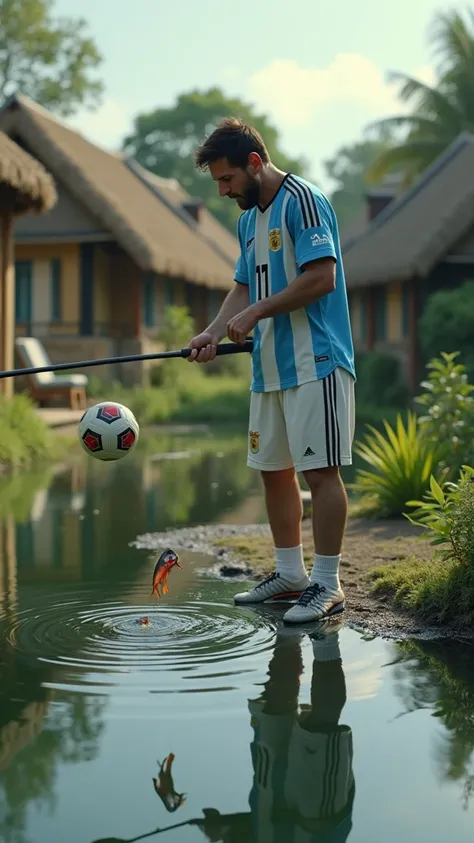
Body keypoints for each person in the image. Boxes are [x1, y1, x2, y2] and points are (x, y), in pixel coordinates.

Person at [188, 118, 356, 624]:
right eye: (217, 182)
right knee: (274, 473)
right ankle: (290, 574)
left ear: (254, 163)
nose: (222, 191)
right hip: (268, 369)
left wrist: (259, 312)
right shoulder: (246, 221)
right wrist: (213, 332)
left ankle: (327, 584)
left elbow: (321, 278)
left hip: (316, 363)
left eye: (227, 179)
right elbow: (243, 286)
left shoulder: (303, 201)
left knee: (321, 473)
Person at [195, 620, 355, 843]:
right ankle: (319, 629)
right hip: (315, 826)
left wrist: (226, 832)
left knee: (275, 707)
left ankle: (295, 617)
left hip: (274, 807)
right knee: (319, 732)